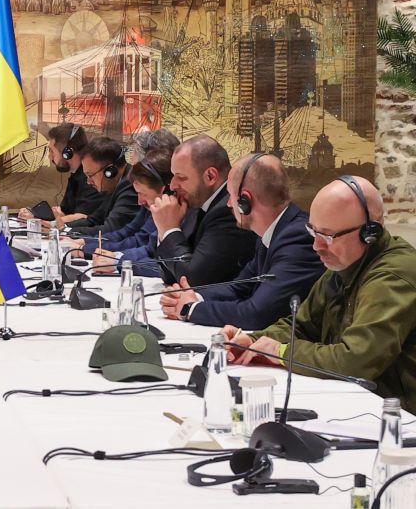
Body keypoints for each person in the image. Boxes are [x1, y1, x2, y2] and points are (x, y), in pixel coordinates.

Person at [225, 176, 416, 412]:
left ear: (370, 232)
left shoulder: (392, 278)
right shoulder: (345, 263)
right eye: (313, 231)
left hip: (400, 424)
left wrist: (280, 351)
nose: (316, 246)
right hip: (359, 405)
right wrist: (253, 341)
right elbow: (302, 325)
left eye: (327, 236)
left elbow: (354, 361)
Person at [160, 153, 322, 329]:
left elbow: (257, 314)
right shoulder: (273, 233)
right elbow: (239, 287)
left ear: (245, 200)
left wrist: (191, 309)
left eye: (230, 195)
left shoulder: (298, 239)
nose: (229, 204)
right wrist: (190, 296)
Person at [150, 135, 257, 286]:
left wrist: (169, 228)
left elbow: (192, 280)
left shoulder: (229, 210)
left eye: (181, 177)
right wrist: (164, 231)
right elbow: (170, 275)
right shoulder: (196, 202)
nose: (172, 185)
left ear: (210, 176)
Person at [77, 149, 174, 277]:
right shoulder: (152, 205)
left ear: (164, 190)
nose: (139, 202)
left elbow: (165, 266)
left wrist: (118, 261)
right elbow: (141, 242)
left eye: (142, 193)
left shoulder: (181, 212)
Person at [19, 123, 102, 224]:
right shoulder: (75, 176)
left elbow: (83, 216)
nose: (49, 157)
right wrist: (34, 214)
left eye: (51, 151)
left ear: (67, 153)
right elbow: (65, 211)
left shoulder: (91, 178)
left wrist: (44, 223)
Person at [65, 137, 140, 234]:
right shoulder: (114, 184)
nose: (88, 182)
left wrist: (65, 232)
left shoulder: (131, 186)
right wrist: (62, 228)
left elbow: (109, 230)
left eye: (91, 175)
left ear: (110, 171)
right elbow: (93, 221)